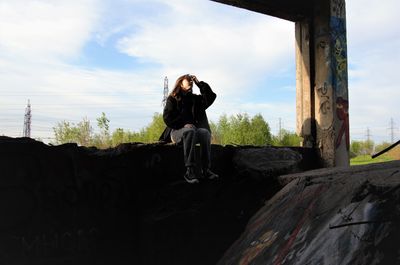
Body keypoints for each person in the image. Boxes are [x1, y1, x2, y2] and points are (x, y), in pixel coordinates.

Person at [161, 74, 219, 184]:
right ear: (180, 83)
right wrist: (183, 124)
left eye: (192, 81)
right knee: (190, 130)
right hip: (177, 132)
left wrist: (199, 83)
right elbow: (167, 117)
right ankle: (189, 171)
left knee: (205, 133)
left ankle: (205, 170)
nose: (190, 81)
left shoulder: (195, 100)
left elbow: (210, 97)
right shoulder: (173, 98)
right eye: (188, 80)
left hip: (193, 132)